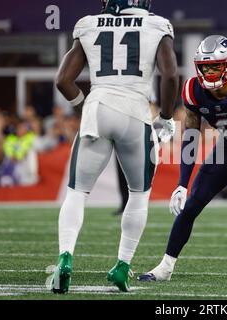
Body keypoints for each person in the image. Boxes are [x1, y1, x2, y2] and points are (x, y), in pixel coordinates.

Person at [51, 0, 179, 294]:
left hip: (99, 106)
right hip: (136, 112)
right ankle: (122, 266)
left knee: (77, 193)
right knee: (139, 194)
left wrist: (85, 106)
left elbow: (63, 80)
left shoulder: (89, 23)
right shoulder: (156, 24)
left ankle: (65, 258)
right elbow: (170, 74)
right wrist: (167, 117)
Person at [138, 35, 227, 284]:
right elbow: (191, 137)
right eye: (206, 67)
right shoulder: (193, 90)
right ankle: (165, 267)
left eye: (216, 65)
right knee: (192, 203)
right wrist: (182, 183)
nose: (211, 72)